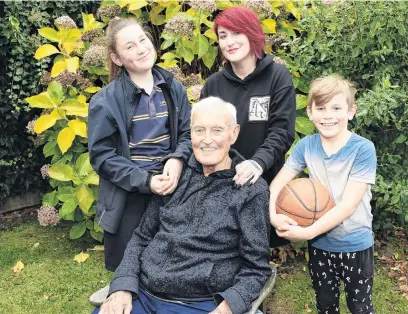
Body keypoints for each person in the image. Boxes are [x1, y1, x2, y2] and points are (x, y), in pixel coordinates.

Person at [92, 97, 271, 314]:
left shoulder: (250, 190)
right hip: (144, 294)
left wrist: (228, 308)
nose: (207, 140)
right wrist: (122, 285)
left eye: (216, 130)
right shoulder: (175, 176)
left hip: (200, 303)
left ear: (233, 133)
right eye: (199, 130)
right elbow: (142, 237)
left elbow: (256, 268)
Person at [87, 17, 191, 304]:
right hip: (130, 196)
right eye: (129, 46)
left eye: (143, 40)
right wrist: (145, 181)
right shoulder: (105, 101)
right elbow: (102, 157)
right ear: (117, 58)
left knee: (171, 271)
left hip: (173, 188)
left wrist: (178, 160)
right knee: (130, 276)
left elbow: (186, 133)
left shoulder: (173, 87)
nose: (141, 48)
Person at [269, 75, 377, 314]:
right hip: (320, 246)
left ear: (351, 111)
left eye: (336, 108)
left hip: (356, 245)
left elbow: (348, 205)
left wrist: (306, 232)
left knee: (360, 307)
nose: (328, 115)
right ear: (309, 112)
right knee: (325, 305)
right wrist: (274, 216)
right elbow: (276, 185)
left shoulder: (363, 149)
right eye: (321, 108)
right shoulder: (306, 146)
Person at [200, 6, 296, 247]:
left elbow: (282, 132)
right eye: (223, 36)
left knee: (258, 249)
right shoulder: (213, 85)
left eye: (236, 33)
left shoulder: (277, 76)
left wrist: (257, 163)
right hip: (223, 181)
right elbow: (202, 133)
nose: (229, 42)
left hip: (263, 177)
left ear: (252, 34)